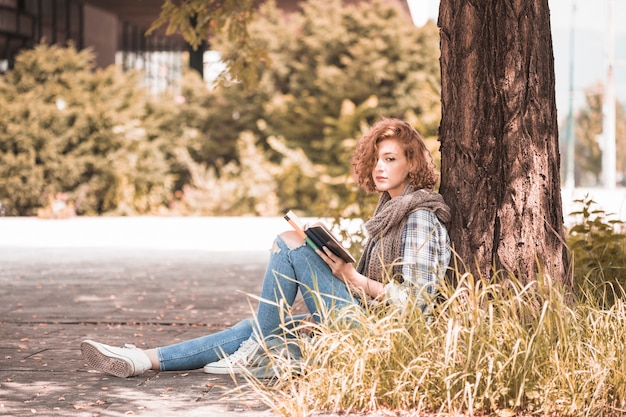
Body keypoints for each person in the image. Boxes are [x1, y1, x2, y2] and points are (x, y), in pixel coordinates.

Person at [80, 117, 451, 378]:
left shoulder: (418, 216)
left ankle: (261, 345)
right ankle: (142, 360)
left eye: (391, 159)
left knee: (288, 243)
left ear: (412, 162)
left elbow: (417, 303)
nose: (379, 169)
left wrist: (350, 276)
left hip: (385, 338)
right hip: (364, 319)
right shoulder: (389, 209)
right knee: (253, 324)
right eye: (377, 160)